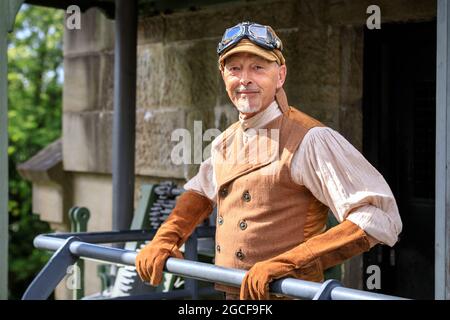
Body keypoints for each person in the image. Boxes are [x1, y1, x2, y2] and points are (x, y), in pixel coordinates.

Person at [135, 21, 402, 300]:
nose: (245, 79)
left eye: (258, 68)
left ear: (281, 75)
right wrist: (165, 239)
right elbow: (200, 193)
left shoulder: (312, 138)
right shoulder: (224, 141)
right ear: (223, 75)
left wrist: (289, 263)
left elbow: (379, 216)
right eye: (234, 68)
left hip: (290, 295)